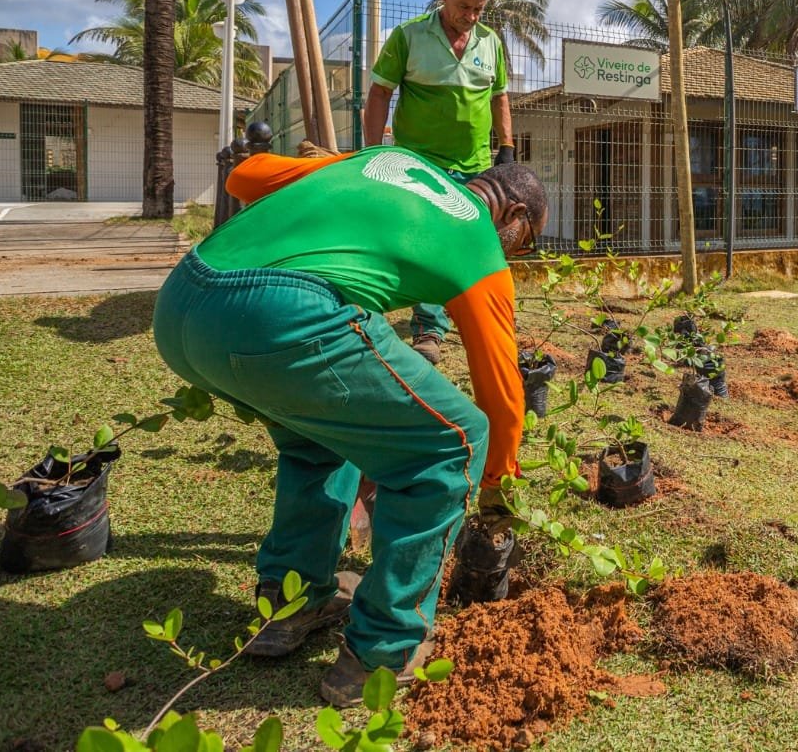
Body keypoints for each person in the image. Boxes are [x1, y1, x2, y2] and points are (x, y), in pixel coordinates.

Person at [152, 146, 546, 707]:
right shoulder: (480, 241)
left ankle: (291, 602)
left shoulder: (391, 160)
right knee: (455, 439)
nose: (516, 257)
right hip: (282, 317)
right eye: (524, 246)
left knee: (320, 437)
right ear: (514, 218)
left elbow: (244, 176)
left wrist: (337, 163)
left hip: (182, 303)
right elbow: (501, 397)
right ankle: (384, 651)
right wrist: (495, 491)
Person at [364, 0, 516, 366]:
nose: (470, 17)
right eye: (464, 7)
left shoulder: (490, 42)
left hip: (476, 162)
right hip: (421, 161)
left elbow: (499, 96)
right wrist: (374, 149)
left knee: (476, 243)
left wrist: (507, 148)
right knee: (431, 244)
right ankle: (429, 330)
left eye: (478, 10)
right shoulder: (409, 37)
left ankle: (474, 319)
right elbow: (379, 95)